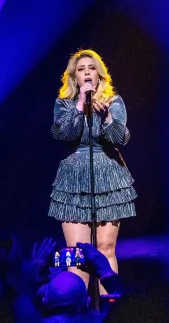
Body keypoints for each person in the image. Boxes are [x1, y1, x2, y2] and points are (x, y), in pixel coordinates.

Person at [49, 49, 137, 293]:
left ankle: (109, 311)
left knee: (106, 248)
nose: (87, 72)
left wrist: (107, 117)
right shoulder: (64, 103)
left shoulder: (114, 101)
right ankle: (75, 309)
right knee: (77, 251)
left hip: (108, 174)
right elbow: (63, 135)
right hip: (74, 177)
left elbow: (121, 137)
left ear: (99, 75)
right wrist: (79, 105)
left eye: (91, 68)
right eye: (81, 69)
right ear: (74, 77)